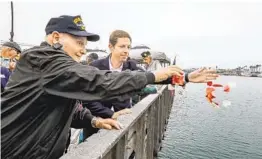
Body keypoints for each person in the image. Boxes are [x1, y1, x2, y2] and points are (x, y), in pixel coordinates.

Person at [1, 15, 218, 159]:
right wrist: (153, 75)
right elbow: (97, 81)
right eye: (79, 44)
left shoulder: (56, 71)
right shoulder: (44, 59)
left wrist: (94, 120)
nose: (82, 52)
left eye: (85, 47)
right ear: (56, 38)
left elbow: (67, 105)